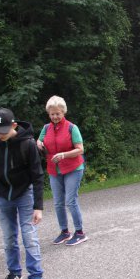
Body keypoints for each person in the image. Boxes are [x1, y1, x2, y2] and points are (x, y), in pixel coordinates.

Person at [0, 108, 46, 279]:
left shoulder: (28, 144)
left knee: (29, 237)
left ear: (14, 126)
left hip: (25, 194)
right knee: (9, 238)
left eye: (3, 130)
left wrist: (38, 206)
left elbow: (37, 175)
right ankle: (15, 273)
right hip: (3, 197)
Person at [37, 96, 88, 246]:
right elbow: (40, 140)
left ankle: (80, 233)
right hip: (54, 169)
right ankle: (65, 232)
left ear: (63, 112)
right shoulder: (46, 128)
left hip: (73, 168)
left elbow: (80, 150)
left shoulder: (72, 128)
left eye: (58, 113)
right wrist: (38, 143)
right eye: (52, 114)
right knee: (58, 203)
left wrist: (63, 155)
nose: (55, 117)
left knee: (70, 201)